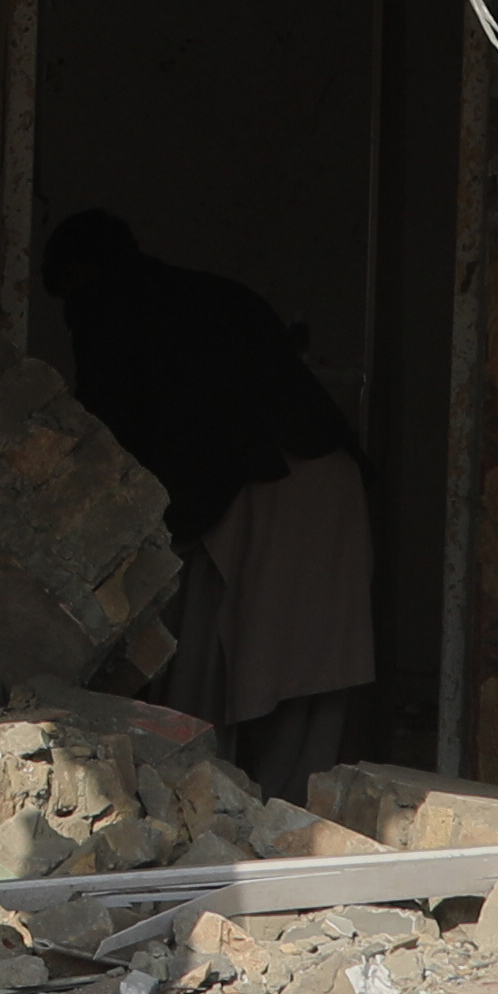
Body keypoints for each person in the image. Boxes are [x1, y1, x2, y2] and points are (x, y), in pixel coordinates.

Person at [40, 211, 373, 783]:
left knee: (255, 661)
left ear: (80, 272)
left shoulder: (113, 309)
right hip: (303, 486)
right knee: (260, 662)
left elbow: (114, 441)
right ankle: (254, 817)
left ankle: (265, 824)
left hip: (279, 488)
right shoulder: (191, 296)